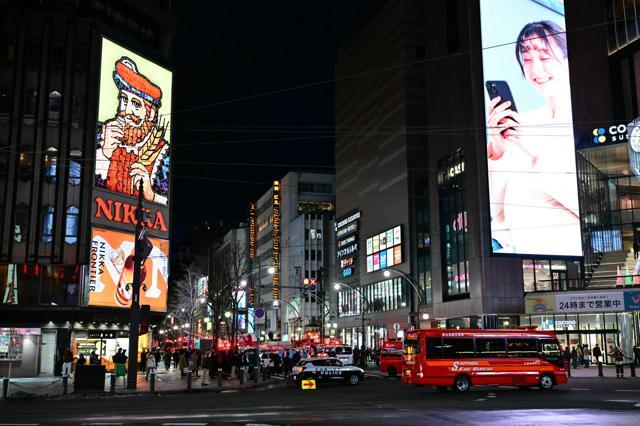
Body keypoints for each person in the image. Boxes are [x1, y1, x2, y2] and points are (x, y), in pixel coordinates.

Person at [486, 20, 580, 255]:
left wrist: (537, 154)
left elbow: (593, 209)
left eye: (545, 57)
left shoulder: (585, 118)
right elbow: (497, 212)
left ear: (569, 60)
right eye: (527, 60)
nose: (535, 70)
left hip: (567, 254)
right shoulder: (524, 122)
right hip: (514, 252)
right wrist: (496, 150)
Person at [95, 56, 170, 204]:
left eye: (136, 104)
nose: (126, 110)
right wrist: (103, 155)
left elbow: (169, 204)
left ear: (151, 113)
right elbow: (76, 179)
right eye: (124, 99)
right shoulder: (99, 133)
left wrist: (151, 195)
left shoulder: (164, 154)